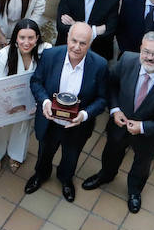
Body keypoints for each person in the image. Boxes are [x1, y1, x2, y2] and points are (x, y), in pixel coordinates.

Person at [83, 32, 154, 212]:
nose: (150, 57)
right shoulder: (127, 61)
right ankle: (106, 175)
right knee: (111, 152)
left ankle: (134, 192)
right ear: (140, 49)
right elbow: (112, 84)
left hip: (149, 135)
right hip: (119, 125)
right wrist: (115, 109)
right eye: (146, 51)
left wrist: (144, 127)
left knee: (142, 164)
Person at [24, 22, 109, 202]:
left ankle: (65, 179)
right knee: (44, 153)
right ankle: (41, 175)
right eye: (74, 41)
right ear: (67, 38)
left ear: (90, 44)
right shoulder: (50, 56)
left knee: (71, 157)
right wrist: (45, 102)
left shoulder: (100, 65)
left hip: (77, 126)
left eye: (83, 43)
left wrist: (84, 115)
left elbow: (103, 99)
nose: (76, 47)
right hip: (50, 122)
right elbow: (36, 82)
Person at [0, 19, 46, 175]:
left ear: (37, 38)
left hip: (29, 102)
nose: (26, 42)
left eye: (31, 38)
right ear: (15, 39)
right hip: (6, 101)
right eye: (22, 38)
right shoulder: (4, 55)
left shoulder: (44, 53)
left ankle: (16, 155)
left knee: (22, 129)